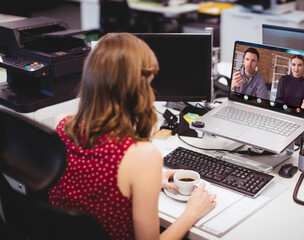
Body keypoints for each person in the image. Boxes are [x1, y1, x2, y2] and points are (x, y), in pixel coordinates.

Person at [49, 33, 216, 240]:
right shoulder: (141, 156)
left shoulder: (62, 125)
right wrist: (192, 212)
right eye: (148, 83)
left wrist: (148, 181)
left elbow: (94, 192)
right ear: (136, 89)